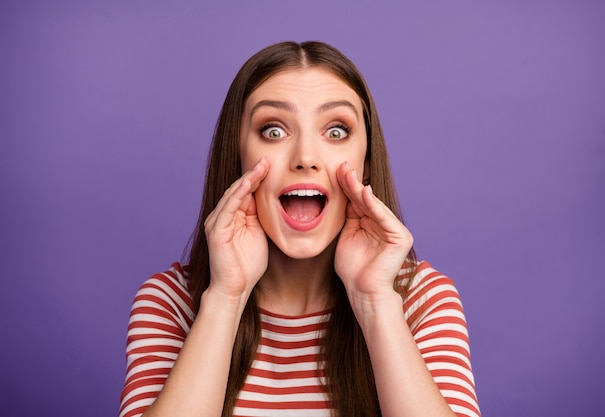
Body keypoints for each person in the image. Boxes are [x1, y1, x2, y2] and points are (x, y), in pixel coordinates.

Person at [119, 41, 481, 417]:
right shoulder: (170, 302)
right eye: (273, 131)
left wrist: (375, 303)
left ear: (366, 161)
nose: (306, 158)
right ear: (238, 157)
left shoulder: (422, 300)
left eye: (337, 131)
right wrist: (226, 298)